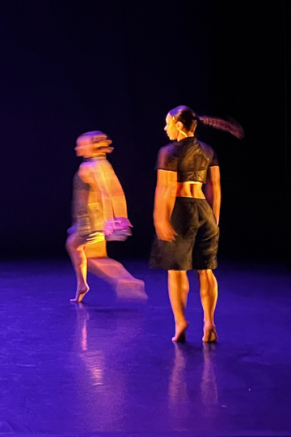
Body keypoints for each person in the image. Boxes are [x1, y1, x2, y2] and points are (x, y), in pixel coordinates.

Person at [150, 106, 243, 343]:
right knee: (206, 269)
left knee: (177, 270)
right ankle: (209, 322)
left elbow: (167, 188)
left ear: (179, 125)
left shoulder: (168, 151)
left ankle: (180, 321)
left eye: (167, 123)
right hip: (204, 210)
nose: (165, 128)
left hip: (181, 211)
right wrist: (215, 219)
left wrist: (161, 217)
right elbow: (215, 187)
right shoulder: (208, 151)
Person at [66, 131, 146, 304]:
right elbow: (116, 191)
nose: (77, 148)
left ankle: (124, 281)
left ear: (92, 146)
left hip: (90, 219)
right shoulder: (103, 164)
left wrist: (109, 220)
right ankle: (83, 284)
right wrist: (119, 216)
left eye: (81, 144)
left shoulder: (87, 167)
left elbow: (105, 193)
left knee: (87, 254)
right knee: (87, 251)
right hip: (94, 216)